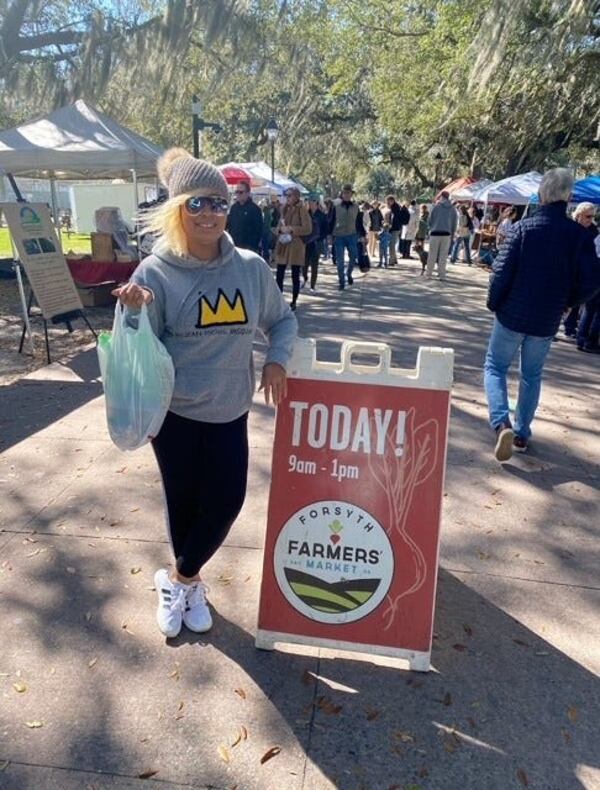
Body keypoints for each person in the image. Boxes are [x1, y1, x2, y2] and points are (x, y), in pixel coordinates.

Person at [112, 148, 297, 638]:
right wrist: (132, 313)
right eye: (197, 204)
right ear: (178, 210)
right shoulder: (153, 273)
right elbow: (137, 350)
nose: (210, 213)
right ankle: (188, 584)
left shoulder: (251, 268)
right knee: (184, 504)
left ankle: (177, 578)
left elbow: (282, 320)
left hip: (229, 410)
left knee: (227, 500)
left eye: (218, 202)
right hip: (173, 414)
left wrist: (278, 359)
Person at [484, 168, 600, 462]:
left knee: (495, 367)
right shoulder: (580, 236)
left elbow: (500, 273)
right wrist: (568, 302)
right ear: (569, 197)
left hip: (511, 314)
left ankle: (501, 423)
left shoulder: (523, 229)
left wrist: (494, 303)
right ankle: (522, 432)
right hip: (547, 318)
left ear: (542, 195)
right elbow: (591, 281)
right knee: (531, 375)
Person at [274, 187, 312, 310]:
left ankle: (294, 301)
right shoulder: (284, 209)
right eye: (286, 195)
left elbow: (307, 228)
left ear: (296, 196)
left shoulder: (302, 210)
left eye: (289, 195)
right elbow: (278, 226)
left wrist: (292, 229)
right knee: (279, 273)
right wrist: (279, 230)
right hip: (283, 245)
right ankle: (279, 300)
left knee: (295, 274)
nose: (287, 198)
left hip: (296, 245)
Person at [574, 202, 600, 352]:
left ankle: (582, 338)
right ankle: (587, 340)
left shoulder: (594, 233)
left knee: (590, 309)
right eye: (588, 216)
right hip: (590, 274)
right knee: (593, 310)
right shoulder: (576, 230)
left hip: (591, 274)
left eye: (592, 216)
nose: (591, 219)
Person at [330, 184, 360, 290]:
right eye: (345, 193)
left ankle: (349, 273)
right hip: (339, 236)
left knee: (353, 256)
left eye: (349, 193)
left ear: (351, 194)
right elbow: (331, 220)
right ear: (342, 194)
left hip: (352, 235)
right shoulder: (336, 206)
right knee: (340, 260)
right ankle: (341, 281)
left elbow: (358, 222)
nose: (347, 195)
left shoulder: (356, 207)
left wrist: (362, 235)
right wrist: (330, 235)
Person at [425, 191, 457, 280]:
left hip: (435, 233)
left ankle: (429, 274)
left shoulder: (436, 207)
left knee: (432, 255)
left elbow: (429, 220)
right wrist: (453, 233)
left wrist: (431, 227)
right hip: (446, 234)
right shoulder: (452, 208)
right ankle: (442, 275)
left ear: (441, 196)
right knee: (443, 255)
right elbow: (454, 223)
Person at [225, 180, 263, 254]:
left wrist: (253, 248)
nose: (238, 194)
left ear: (248, 193)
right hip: (234, 247)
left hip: (248, 249)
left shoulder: (255, 209)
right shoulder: (234, 208)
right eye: (237, 192)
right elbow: (228, 224)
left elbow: (259, 230)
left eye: (241, 192)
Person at [303, 196, 327, 292]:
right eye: (309, 202)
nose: (310, 204)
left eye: (312, 202)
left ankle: (312, 286)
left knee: (314, 265)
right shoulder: (305, 214)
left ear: (316, 203)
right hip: (306, 242)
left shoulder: (322, 215)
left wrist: (321, 238)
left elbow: (325, 229)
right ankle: (305, 277)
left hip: (317, 243)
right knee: (304, 264)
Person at [386, 194, 402, 266]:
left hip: (394, 228)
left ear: (392, 200)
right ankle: (394, 259)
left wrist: (390, 226)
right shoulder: (396, 207)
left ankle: (391, 261)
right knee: (392, 243)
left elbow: (394, 219)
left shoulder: (395, 208)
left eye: (388, 201)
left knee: (391, 245)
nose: (387, 203)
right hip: (397, 228)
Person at [415, 204, 430, 274]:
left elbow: (426, 223)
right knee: (418, 241)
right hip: (419, 230)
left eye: (422, 208)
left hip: (423, 230)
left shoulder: (427, 214)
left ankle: (422, 253)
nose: (422, 209)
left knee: (422, 241)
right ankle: (420, 253)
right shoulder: (421, 214)